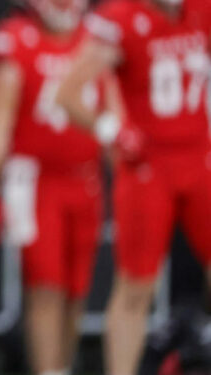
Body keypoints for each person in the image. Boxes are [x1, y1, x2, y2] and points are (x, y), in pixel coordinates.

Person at [56, 0, 211, 374]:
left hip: (199, 155)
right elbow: (67, 94)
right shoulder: (121, 19)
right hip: (148, 166)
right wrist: (113, 130)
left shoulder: (200, 10)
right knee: (137, 286)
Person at [0, 1, 120, 374]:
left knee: (77, 290)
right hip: (34, 179)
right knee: (46, 285)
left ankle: (62, 366)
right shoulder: (16, 39)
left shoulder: (95, 38)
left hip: (85, 177)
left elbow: (114, 107)